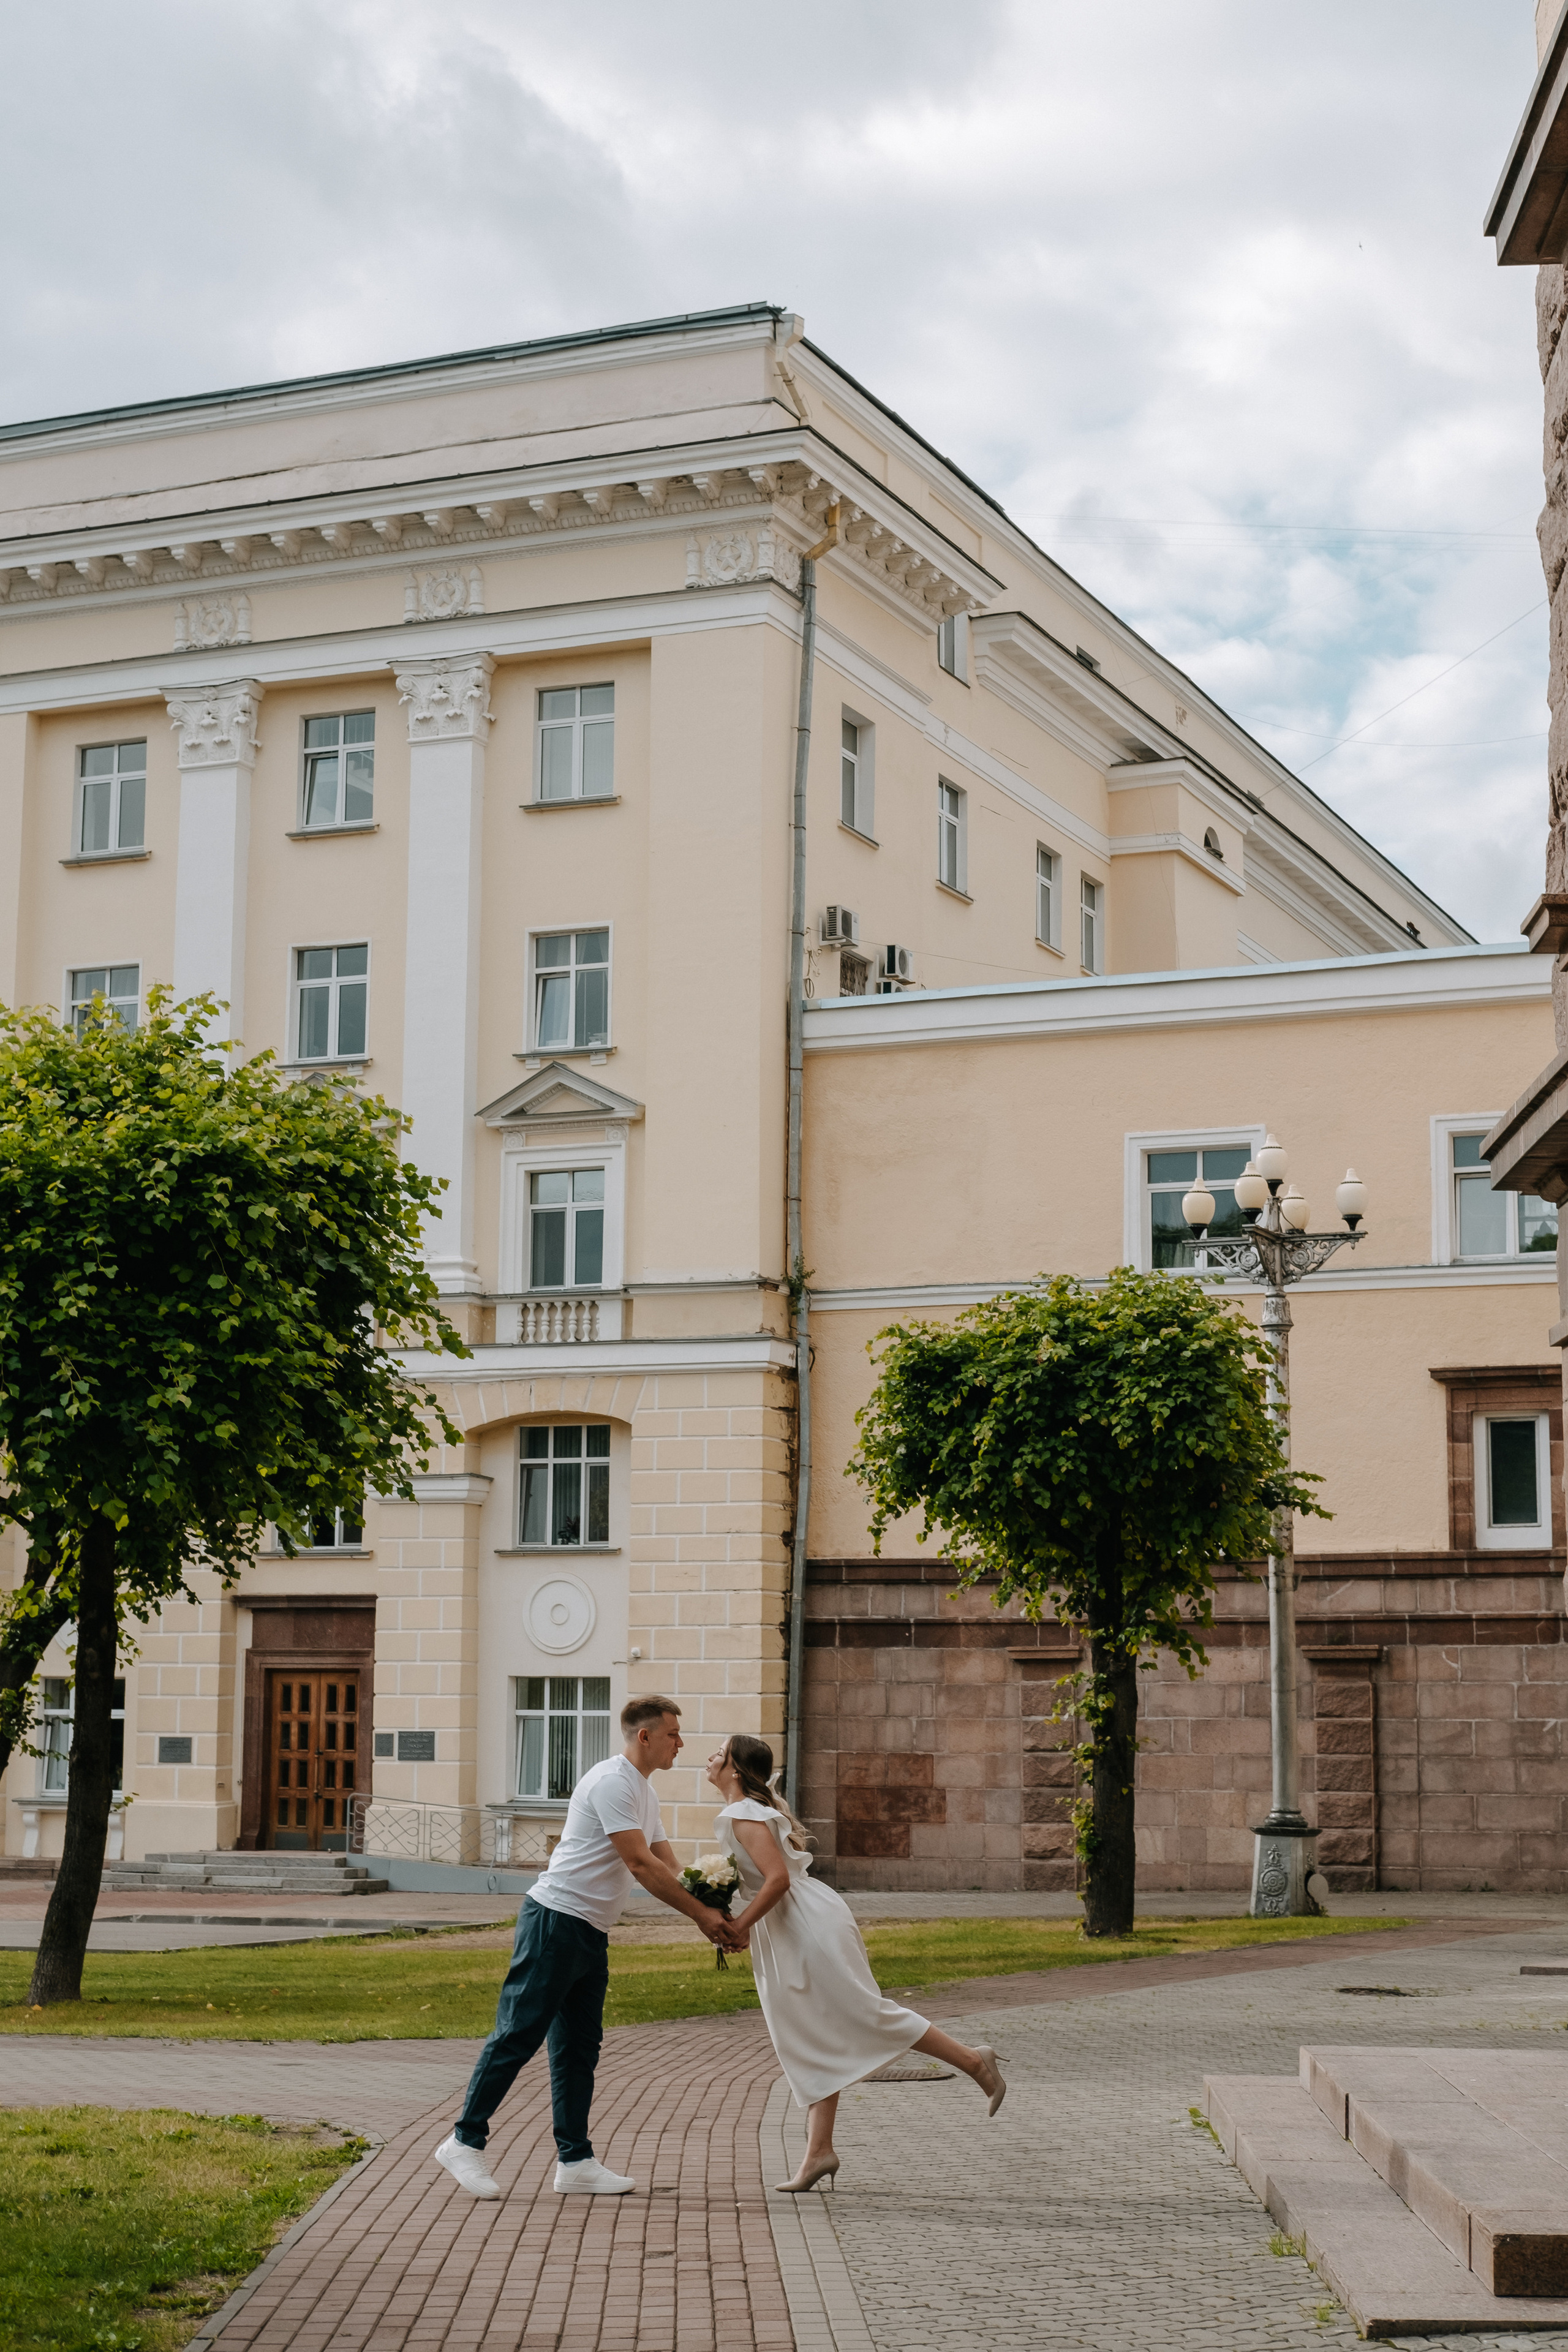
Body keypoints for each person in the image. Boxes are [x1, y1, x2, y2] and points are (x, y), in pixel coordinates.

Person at [434, 1694, 739, 2199]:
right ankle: (464, 2141)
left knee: (578, 2049)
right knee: (518, 2034)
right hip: (554, 1921)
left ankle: (575, 2161)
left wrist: (716, 1912)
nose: (680, 1743)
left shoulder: (644, 1793)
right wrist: (703, 1918)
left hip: (589, 1930)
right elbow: (641, 1866)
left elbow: (670, 1867)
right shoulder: (611, 1782)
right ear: (644, 1736)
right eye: (672, 1734)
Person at [709, 1732, 1006, 2192]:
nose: (709, 1758)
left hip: (803, 1925)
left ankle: (974, 2060)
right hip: (792, 1925)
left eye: (719, 1753)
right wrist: (745, 1922)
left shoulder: (742, 1813)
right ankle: (818, 2152)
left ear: (734, 1770)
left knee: (861, 2013)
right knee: (811, 2032)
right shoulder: (748, 1812)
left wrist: (741, 1925)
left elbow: (777, 1882)